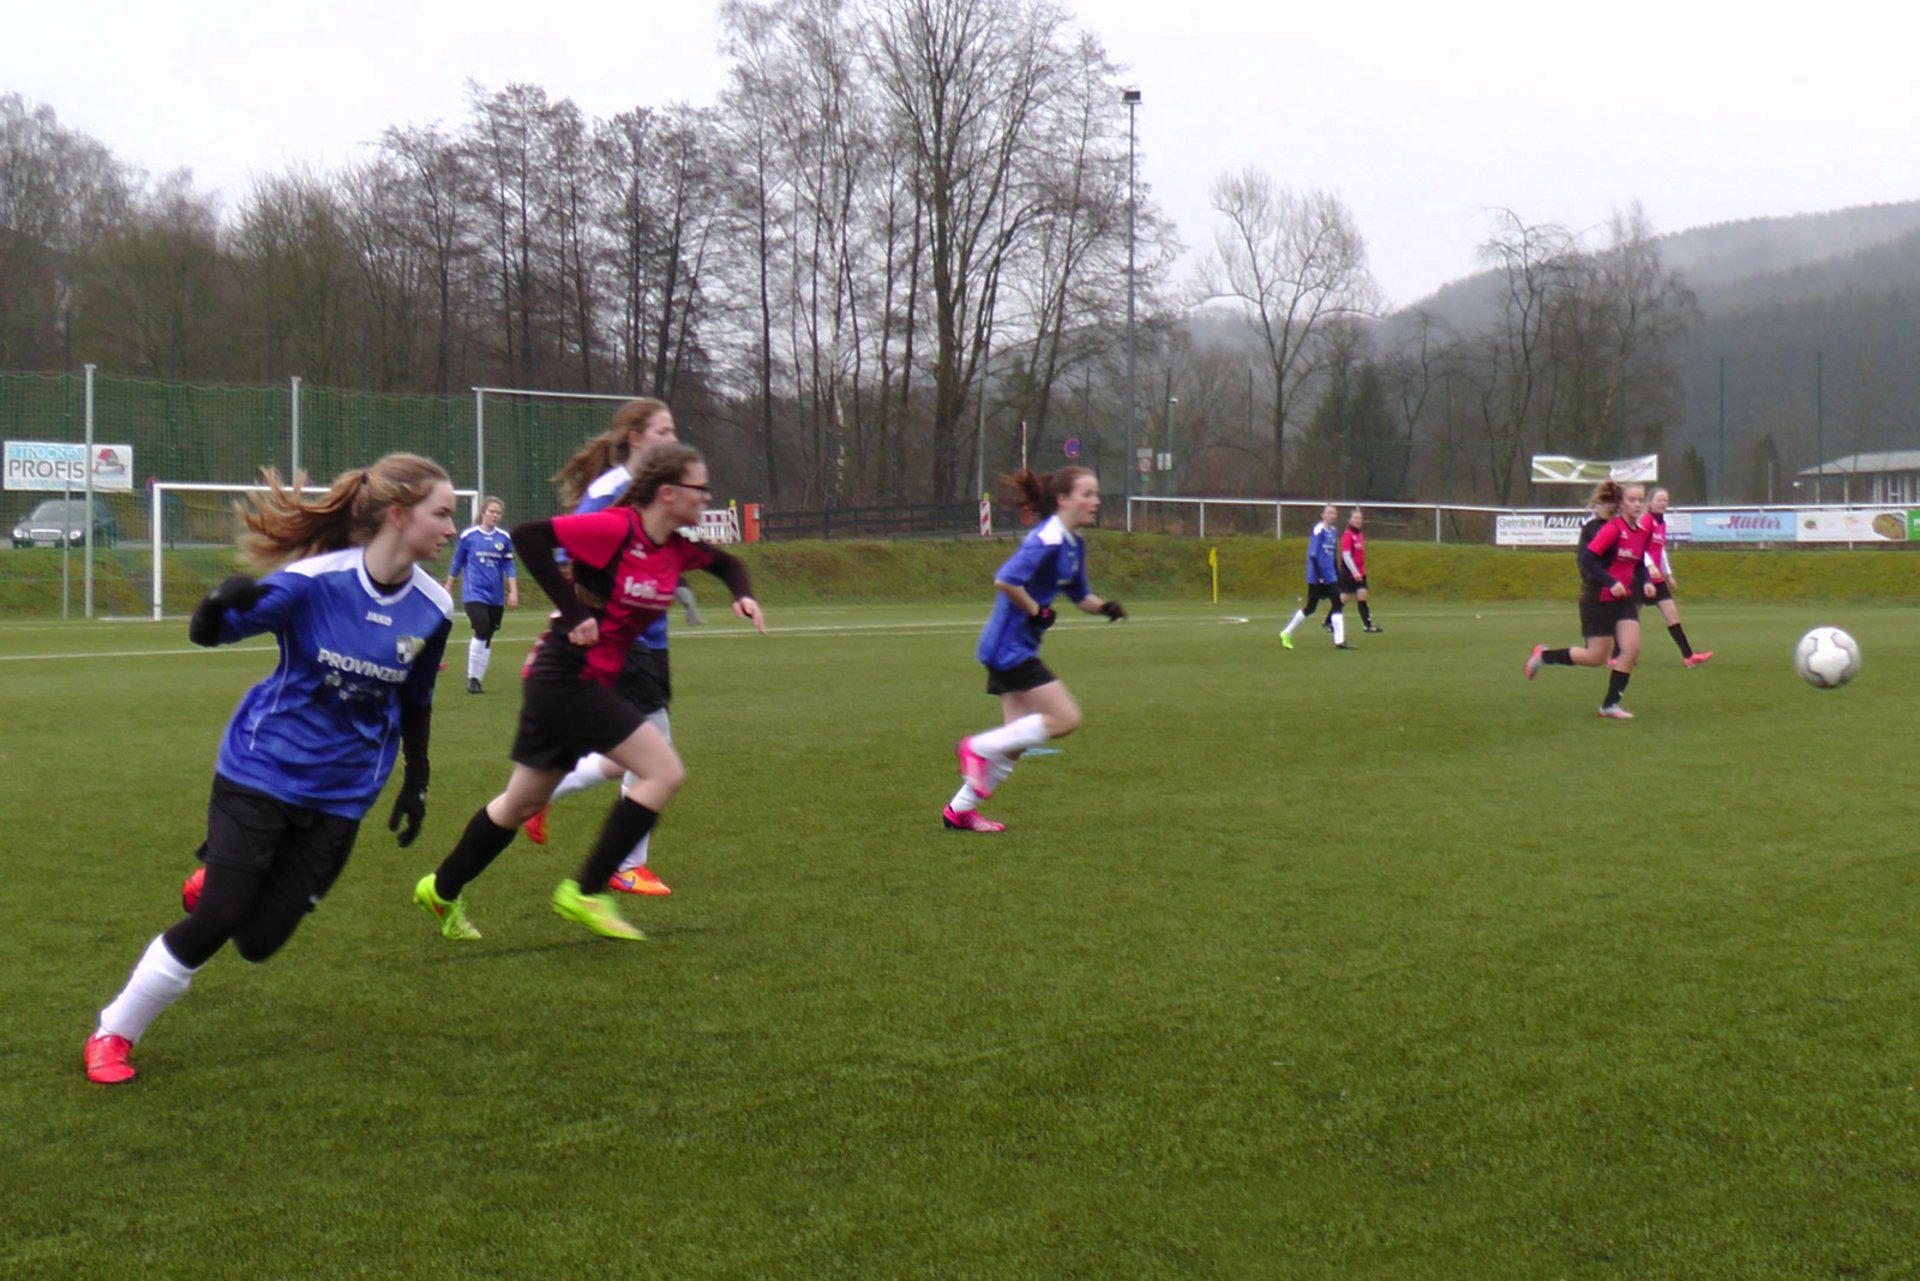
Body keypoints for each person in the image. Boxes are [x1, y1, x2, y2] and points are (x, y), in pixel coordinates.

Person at [83, 455, 457, 1084]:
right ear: (399, 515)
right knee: (220, 919)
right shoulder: (313, 581)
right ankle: (113, 1033)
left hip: (344, 793)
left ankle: (221, 882)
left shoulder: (436, 606)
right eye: (442, 513)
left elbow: (416, 697)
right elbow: (210, 633)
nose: (451, 528)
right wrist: (215, 602)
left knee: (258, 942)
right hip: (262, 766)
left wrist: (416, 779)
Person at [412, 444, 766, 943]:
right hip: (565, 673)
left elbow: (726, 563)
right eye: (699, 487)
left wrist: (742, 595)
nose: (706, 496)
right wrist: (574, 613)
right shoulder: (617, 527)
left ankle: (440, 888)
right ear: (668, 493)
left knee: (520, 803)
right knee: (662, 771)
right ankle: (586, 891)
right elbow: (529, 537)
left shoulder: (672, 546)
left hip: (575, 680)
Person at [521, 398, 698, 897]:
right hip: (627, 641)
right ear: (636, 438)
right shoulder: (611, 490)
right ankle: (626, 864)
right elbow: (567, 550)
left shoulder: (648, 491)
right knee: (655, 753)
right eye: (663, 430)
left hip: (650, 637)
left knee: (628, 757)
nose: (672, 436)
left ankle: (542, 795)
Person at [946, 466, 1125, 833]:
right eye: (1087, 494)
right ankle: (974, 747)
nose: (1095, 502)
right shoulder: (1046, 538)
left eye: (1096, 495)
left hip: (1018, 644)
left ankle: (959, 811)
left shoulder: (1073, 544)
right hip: (1009, 646)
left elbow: (1080, 596)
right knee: (1065, 719)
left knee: (1015, 741)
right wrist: (1037, 610)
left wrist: (1105, 607)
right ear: (1063, 500)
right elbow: (1006, 580)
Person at [1524, 479, 1651, 718]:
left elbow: (1638, 562)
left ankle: (1609, 705)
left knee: (1631, 649)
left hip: (1623, 600)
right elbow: (1587, 559)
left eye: (1640, 500)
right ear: (1621, 503)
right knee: (1595, 657)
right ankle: (1543, 656)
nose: (1637, 504)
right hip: (1597, 597)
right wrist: (1611, 582)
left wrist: (1645, 582)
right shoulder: (1611, 529)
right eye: (1631, 500)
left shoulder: (1640, 532)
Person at [444, 495, 519, 694]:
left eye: (498, 512)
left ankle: (477, 679)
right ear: (483, 512)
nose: (495, 515)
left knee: (488, 635)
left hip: (495, 596)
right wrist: (448, 587)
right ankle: (471, 678)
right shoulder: (469, 536)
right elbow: (456, 563)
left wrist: (513, 591)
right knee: (482, 628)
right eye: (492, 511)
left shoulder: (503, 538)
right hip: (473, 593)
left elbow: (509, 566)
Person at [1642, 487, 1712, 668]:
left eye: (1666, 500)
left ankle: (1688, 656)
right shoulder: (1645, 521)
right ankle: (1616, 656)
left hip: (1657, 579)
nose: (1663, 503)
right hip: (1640, 577)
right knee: (1629, 619)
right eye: (1659, 500)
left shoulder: (1661, 523)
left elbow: (1660, 550)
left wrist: (1668, 575)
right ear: (1650, 503)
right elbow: (1638, 547)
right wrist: (1649, 566)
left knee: (1672, 616)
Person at [1279, 504, 1349, 650]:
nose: (1332, 516)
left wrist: (1336, 573)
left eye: (1334, 513)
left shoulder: (1333, 531)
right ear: (1322, 515)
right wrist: (1319, 576)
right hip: (1318, 577)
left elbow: (1332, 555)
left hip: (1330, 576)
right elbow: (1313, 555)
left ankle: (1339, 641)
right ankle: (1286, 632)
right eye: (1329, 513)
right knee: (1310, 608)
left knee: (1337, 604)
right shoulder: (1318, 530)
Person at [1337, 508, 1382, 634]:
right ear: (1350, 520)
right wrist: (1354, 571)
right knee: (1344, 598)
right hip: (1349, 573)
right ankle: (1328, 621)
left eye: (1359, 518)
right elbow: (1346, 556)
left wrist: (1360, 571)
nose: (1358, 521)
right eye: (1355, 518)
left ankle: (1367, 625)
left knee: (1362, 595)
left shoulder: (1359, 535)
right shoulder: (1347, 535)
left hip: (1360, 572)